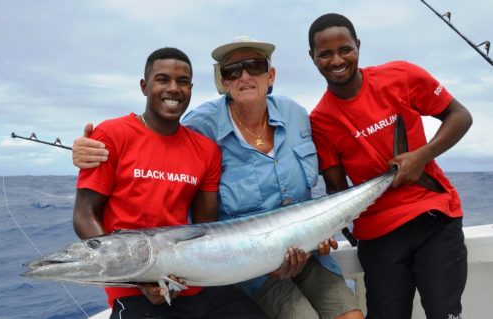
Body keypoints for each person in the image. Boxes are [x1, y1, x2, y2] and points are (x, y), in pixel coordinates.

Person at [72, 36, 363, 319]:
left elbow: (333, 152)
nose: (245, 76)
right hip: (246, 268)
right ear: (224, 82)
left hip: (304, 251)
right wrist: (84, 150)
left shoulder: (294, 114)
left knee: (350, 314)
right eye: (233, 71)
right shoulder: (200, 127)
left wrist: (321, 235)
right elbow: (157, 141)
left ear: (270, 75)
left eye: (256, 66)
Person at [73, 47, 267, 319]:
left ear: (191, 88)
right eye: (162, 79)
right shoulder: (112, 133)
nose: (173, 88)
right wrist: (142, 278)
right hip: (134, 290)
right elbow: (84, 214)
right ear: (144, 86)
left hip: (194, 282)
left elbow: (204, 229)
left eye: (183, 81)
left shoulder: (206, 150)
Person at [308, 13, 472, 319]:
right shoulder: (320, 121)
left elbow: (460, 116)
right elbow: (336, 189)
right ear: (312, 58)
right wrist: (326, 227)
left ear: (357, 45)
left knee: (443, 312)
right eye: (325, 54)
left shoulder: (401, 75)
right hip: (378, 234)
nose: (337, 60)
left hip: (433, 216)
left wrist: (421, 156)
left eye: (345, 49)